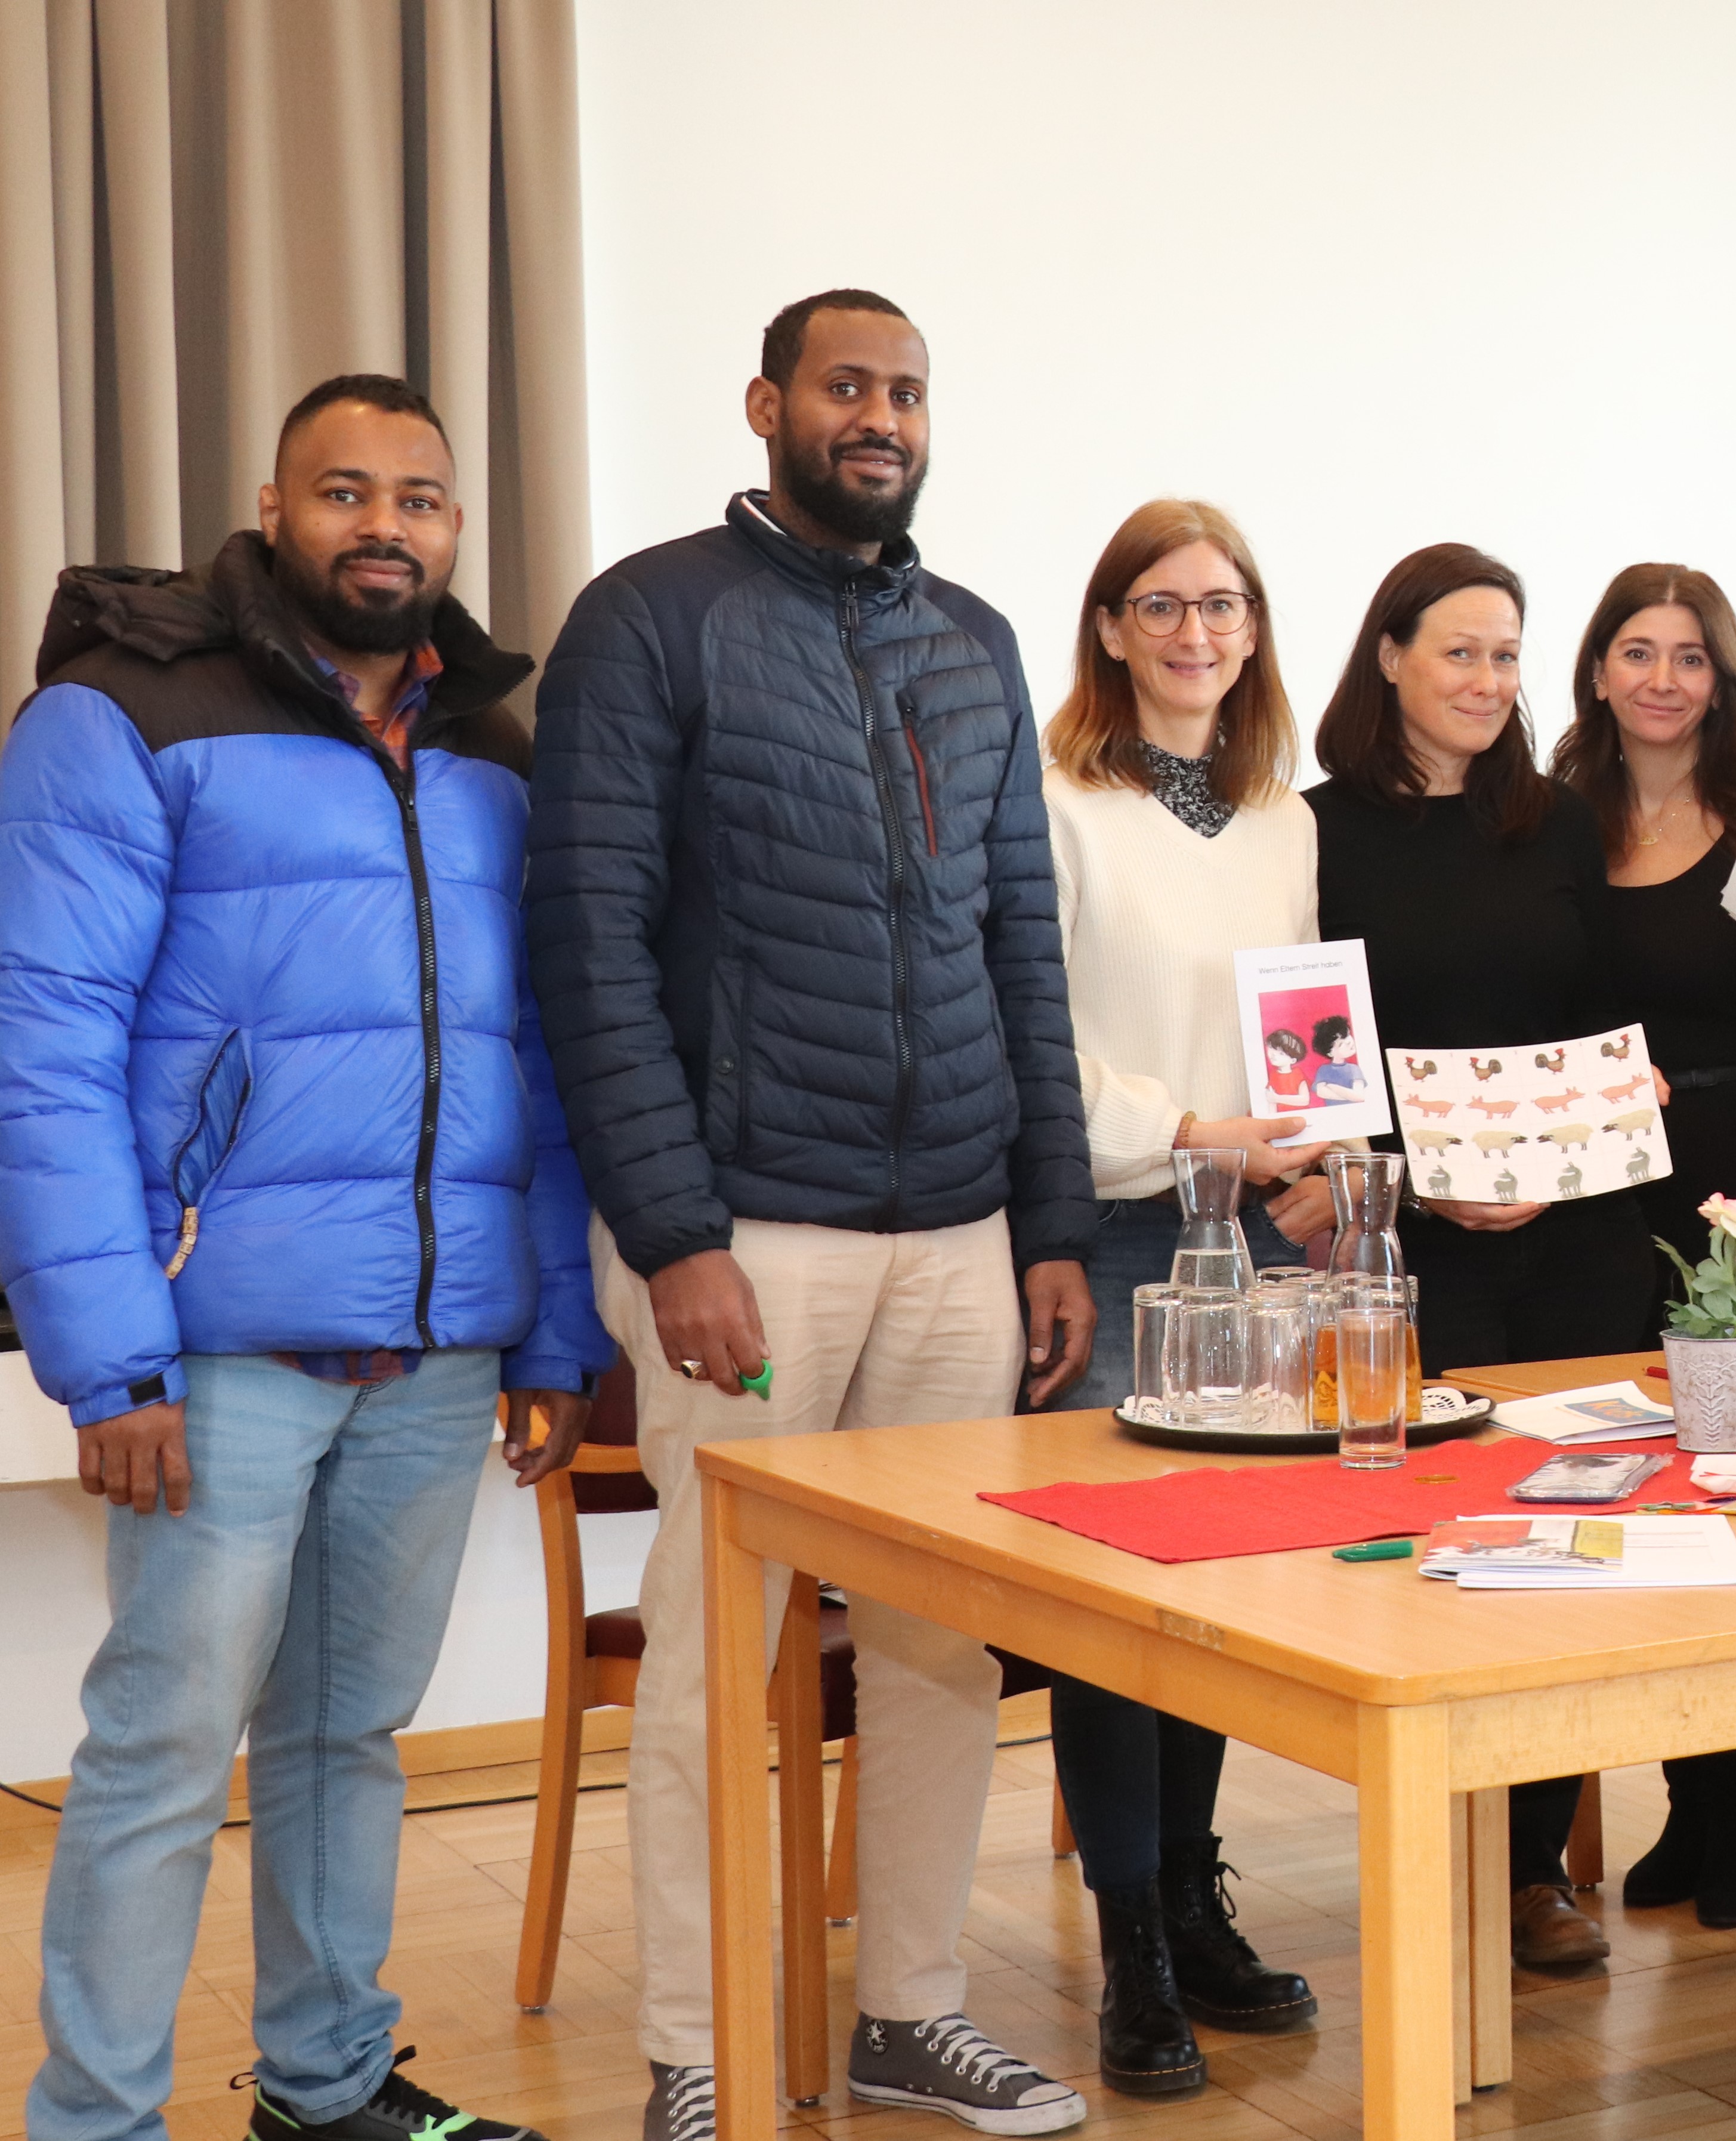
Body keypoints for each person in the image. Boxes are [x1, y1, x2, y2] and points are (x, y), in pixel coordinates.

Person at [0, 375, 606, 2141]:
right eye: (346, 492)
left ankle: (328, 2083)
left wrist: (553, 1329)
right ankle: (94, 2116)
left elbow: (538, 1059)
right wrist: (107, 1358)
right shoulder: (120, 712)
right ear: (274, 508)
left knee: (348, 1734)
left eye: (419, 498)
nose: (385, 526)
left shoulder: (496, 740)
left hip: (435, 1349)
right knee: (164, 1747)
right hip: (217, 1355)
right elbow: (44, 1050)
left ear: (456, 529)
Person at [527, 291, 1095, 2141]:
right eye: (848, 386)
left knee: (941, 1646)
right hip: (743, 1234)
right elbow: (589, 942)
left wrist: (1053, 1220)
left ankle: (908, 2013)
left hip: (955, 1234)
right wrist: (671, 1226)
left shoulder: (979, 639)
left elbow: (1025, 943)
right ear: (770, 403)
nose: (882, 417)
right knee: (715, 1647)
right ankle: (696, 2043)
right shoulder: (647, 616)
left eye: (908, 391)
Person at [1308, 542, 1660, 1971]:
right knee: (1440, 1552)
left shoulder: (1558, 821)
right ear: (1388, 654)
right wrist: (1424, 1185)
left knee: (1561, 1539)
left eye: (1508, 654)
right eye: (1459, 649)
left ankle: (1527, 1873)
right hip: (1410, 1244)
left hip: (1570, 1244)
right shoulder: (1312, 829)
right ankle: (1428, 1847)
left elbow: (1601, 1024)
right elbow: (1313, 1059)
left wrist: (1556, 1153)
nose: (1487, 679)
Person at [1034, 499, 1330, 2093]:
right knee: (1110, 1609)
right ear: (1108, 626)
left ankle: (1194, 1896)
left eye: (1222, 605)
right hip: (1118, 1229)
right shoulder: (1056, 799)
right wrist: (1187, 1127)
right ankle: (1130, 1938)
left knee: (1208, 1596)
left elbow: (1303, 1037)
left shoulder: (1280, 815)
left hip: (1257, 1247)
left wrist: (1305, 1151)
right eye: (1161, 605)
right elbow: (1033, 1032)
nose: (1195, 633)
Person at [1552, 561, 1736, 1929]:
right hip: (1602, 1201)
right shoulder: (1556, 809)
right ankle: (1687, 1792)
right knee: (1627, 1498)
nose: (1663, 678)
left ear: (1722, 677)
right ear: (1599, 669)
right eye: (1636, 651)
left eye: (1689, 656)